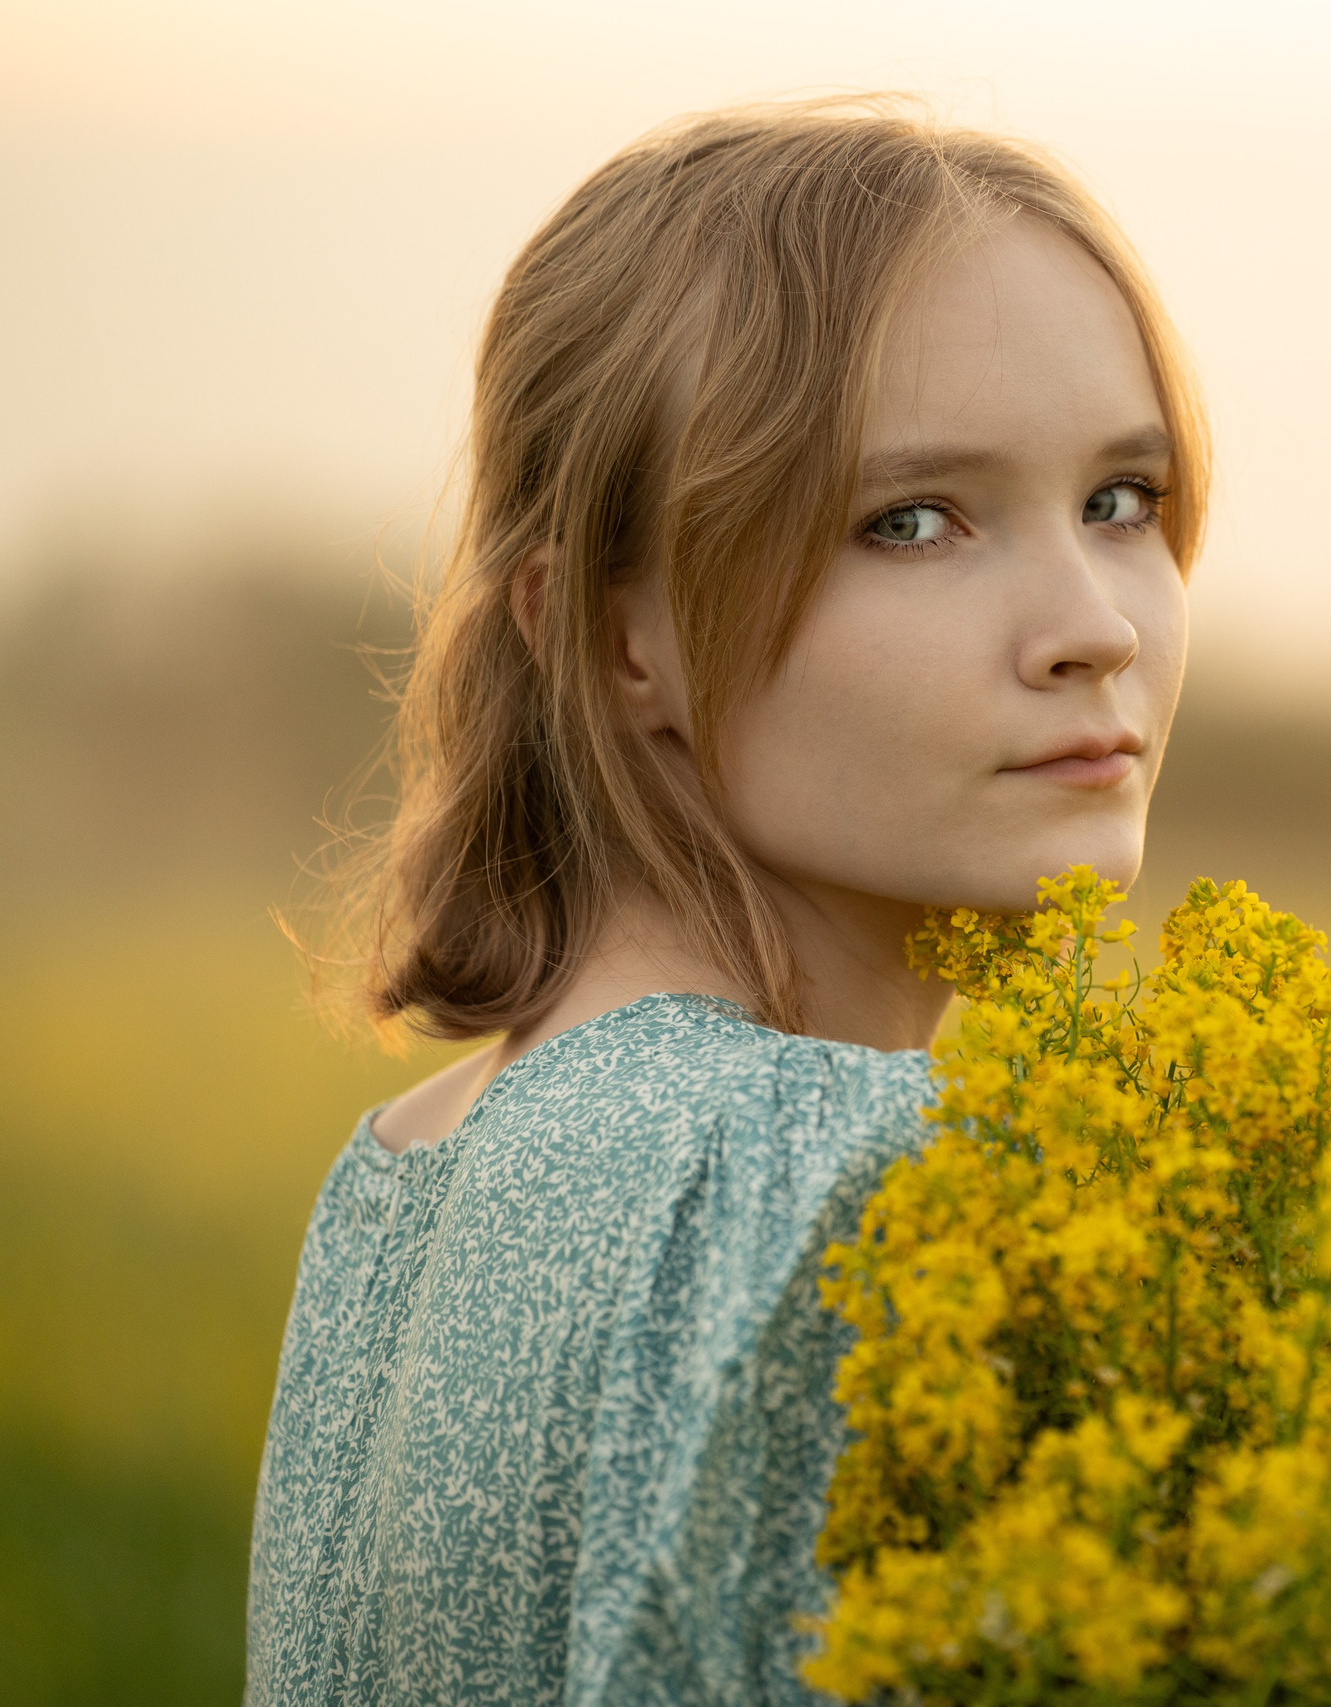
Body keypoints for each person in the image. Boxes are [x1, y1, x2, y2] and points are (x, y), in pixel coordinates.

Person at [246, 99, 1207, 1705]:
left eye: (1123, 500)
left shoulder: (402, 1182)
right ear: (620, 638)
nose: (1094, 624)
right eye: (913, 521)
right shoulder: (836, 1180)